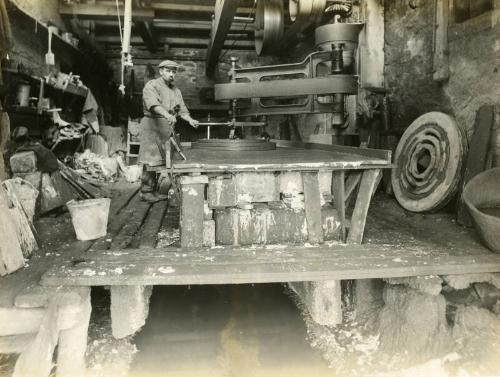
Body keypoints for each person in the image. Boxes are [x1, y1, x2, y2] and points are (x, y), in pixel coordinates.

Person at [138, 59, 199, 202]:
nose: (171, 74)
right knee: (150, 160)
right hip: (152, 127)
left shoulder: (175, 90)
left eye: (173, 71)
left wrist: (190, 120)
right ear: (161, 71)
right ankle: (146, 191)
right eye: (168, 71)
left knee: (164, 160)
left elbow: (182, 109)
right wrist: (167, 115)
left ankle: (155, 190)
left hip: (166, 128)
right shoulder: (152, 85)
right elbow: (153, 105)